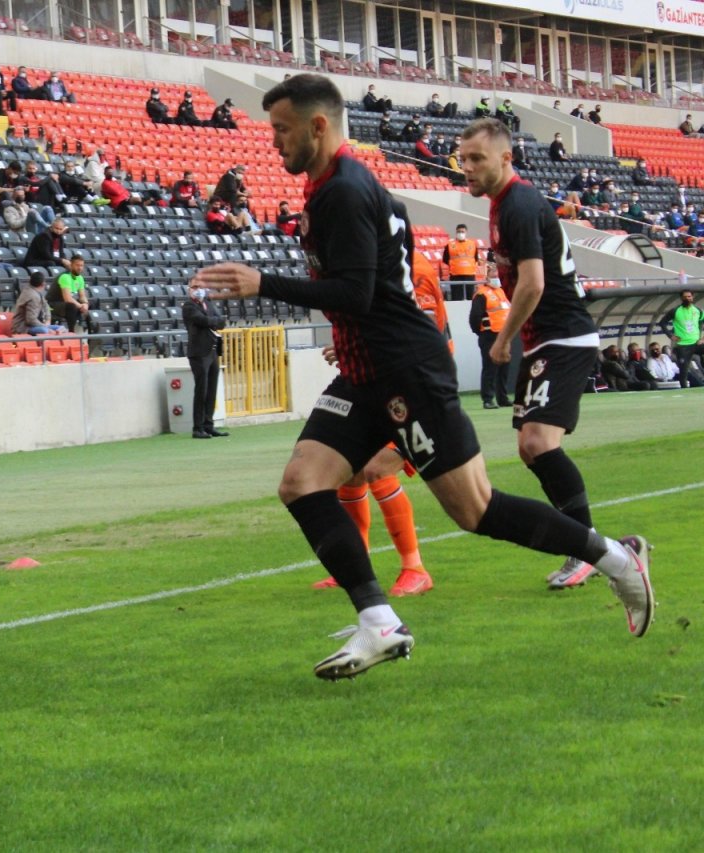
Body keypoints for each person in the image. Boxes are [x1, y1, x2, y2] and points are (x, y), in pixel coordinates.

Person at [192, 74, 653, 680]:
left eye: (281, 128)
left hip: (404, 371)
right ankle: (379, 623)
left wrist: (264, 284)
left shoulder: (344, 191)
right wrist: (351, 336)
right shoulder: (340, 186)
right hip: (367, 369)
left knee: (476, 511)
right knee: (303, 482)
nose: (273, 139)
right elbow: (383, 272)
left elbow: (356, 290)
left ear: (319, 125)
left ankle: (617, 560)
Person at [462, 116, 622, 590]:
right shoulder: (500, 204)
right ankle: (592, 548)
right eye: (463, 159)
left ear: (506, 158)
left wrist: (504, 339)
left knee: (537, 444)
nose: (466, 168)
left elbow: (533, 283)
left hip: (563, 335)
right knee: (531, 448)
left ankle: (590, 550)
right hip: (545, 337)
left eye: (477, 159)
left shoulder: (519, 204)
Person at [315, 241, 443, 598]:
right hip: (371, 381)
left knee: (377, 468)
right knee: (348, 469)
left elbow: (420, 337)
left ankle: (415, 568)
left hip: (416, 385)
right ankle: (354, 566)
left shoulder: (414, 271)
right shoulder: (369, 263)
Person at [182, 285, 227, 439]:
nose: (197, 290)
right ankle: (198, 427)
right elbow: (201, 320)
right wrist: (213, 321)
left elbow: (221, 321)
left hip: (212, 350)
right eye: (194, 287)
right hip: (199, 352)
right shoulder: (189, 306)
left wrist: (213, 321)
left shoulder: (208, 302)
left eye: (199, 287)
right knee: (202, 390)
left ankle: (209, 424)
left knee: (212, 389)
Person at [468, 275, 512, 409]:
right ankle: (487, 399)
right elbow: (474, 317)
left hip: (504, 335)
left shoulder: (501, 291)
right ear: (486, 279)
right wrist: (481, 331)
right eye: (493, 276)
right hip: (489, 334)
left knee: (504, 367)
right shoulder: (481, 294)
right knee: (490, 368)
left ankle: (502, 398)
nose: (496, 278)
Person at [661, 289, 704, 388]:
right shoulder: (675, 311)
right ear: (681, 298)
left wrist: (702, 339)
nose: (687, 298)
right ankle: (684, 390)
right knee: (683, 370)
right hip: (683, 346)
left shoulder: (697, 310)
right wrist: (670, 336)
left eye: (689, 296)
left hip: (697, 343)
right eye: (685, 297)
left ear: (692, 297)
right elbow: (662, 323)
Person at [12, 271, 63, 335]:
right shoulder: (32, 295)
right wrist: (45, 327)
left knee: (61, 328)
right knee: (44, 330)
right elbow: (30, 320)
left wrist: (47, 321)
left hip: (39, 324)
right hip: (23, 327)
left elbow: (46, 306)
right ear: (43, 284)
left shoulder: (38, 293)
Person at [49, 254, 90, 332]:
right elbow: (67, 299)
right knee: (72, 306)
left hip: (65, 304)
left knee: (89, 305)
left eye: (82, 265)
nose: (80, 268)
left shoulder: (80, 278)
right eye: (77, 265)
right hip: (52, 305)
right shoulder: (65, 277)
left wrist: (85, 304)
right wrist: (81, 306)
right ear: (71, 265)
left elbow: (82, 296)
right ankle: (72, 332)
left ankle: (90, 335)